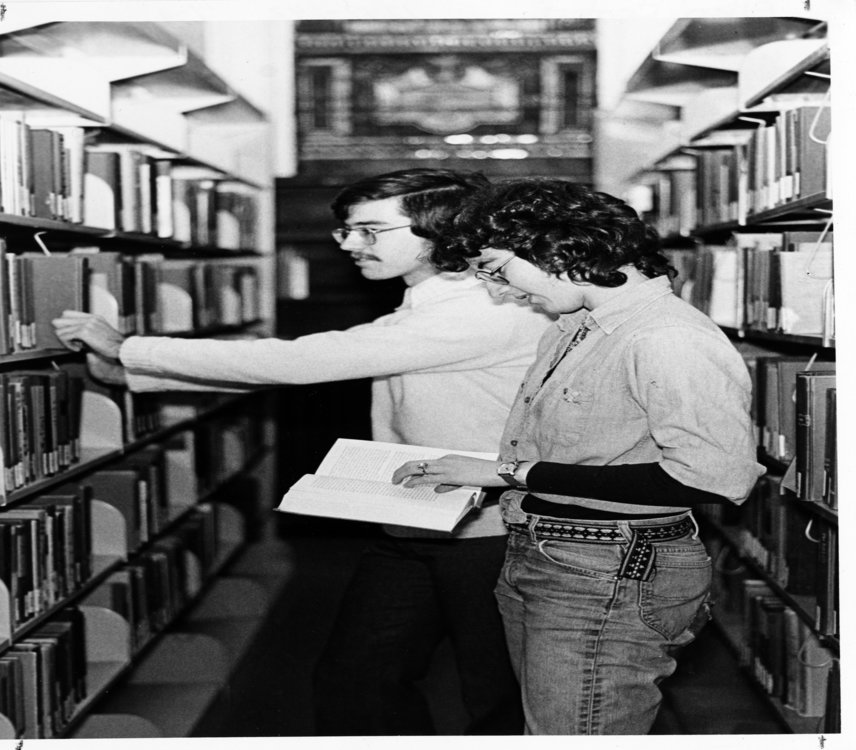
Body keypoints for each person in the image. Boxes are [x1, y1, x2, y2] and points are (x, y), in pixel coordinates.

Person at [52, 168, 551, 735]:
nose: (351, 246)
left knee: (496, 694)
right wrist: (129, 369)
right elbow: (310, 365)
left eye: (370, 230)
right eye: (345, 232)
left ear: (440, 229)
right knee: (356, 680)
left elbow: (304, 362)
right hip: (419, 523)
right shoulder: (428, 302)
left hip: (492, 534)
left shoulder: (483, 308)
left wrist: (130, 348)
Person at [393, 178, 765, 735]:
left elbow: (712, 478)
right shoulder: (572, 327)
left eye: (497, 269)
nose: (499, 291)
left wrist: (511, 473)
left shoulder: (663, 337)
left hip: (611, 568)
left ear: (557, 246)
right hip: (545, 552)